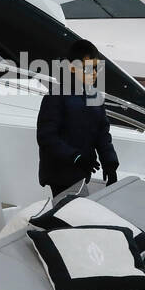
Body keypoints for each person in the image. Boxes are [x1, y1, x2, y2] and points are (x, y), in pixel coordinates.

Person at [36, 39, 119, 196]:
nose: (94, 73)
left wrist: (110, 163)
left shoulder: (94, 96)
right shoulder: (56, 96)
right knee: (73, 214)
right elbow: (46, 137)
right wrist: (76, 157)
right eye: (89, 68)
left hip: (81, 173)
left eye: (96, 68)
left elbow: (102, 133)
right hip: (60, 175)